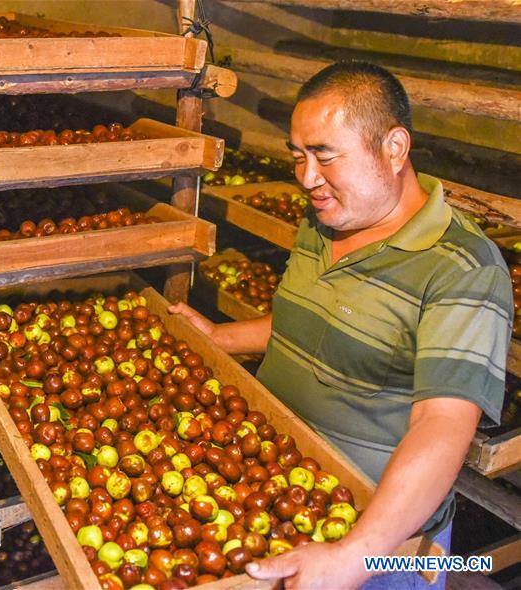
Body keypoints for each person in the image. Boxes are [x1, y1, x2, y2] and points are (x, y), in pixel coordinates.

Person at [170, 60, 512, 589]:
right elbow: (308, 323)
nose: (307, 178)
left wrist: (360, 554)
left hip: (383, 544)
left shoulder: (461, 268)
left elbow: (442, 426)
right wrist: (222, 339)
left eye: (325, 155)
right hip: (277, 494)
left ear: (394, 149)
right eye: (299, 156)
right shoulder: (325, 217)